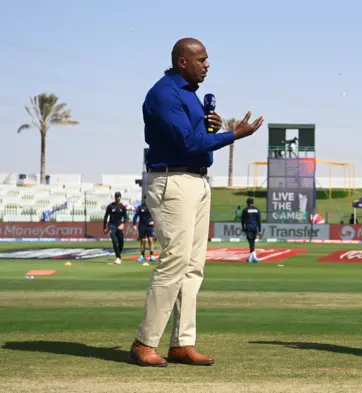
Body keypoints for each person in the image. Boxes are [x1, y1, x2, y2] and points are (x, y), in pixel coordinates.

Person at [128, 37, 264, 367]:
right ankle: (145, 342)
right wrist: (234, 134)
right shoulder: (163, 94)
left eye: (207, 59)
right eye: (201, 59)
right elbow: (188, 142)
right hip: (172, 180)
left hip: (196, 180)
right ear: (181, 62)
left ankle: (182, 343)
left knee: (193, 267)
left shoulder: (189, 96)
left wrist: (212, 127)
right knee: (174, 262)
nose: (207, 64)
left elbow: (196, 137)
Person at [103, 191, 129, 265]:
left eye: (119, 196)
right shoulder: (110, 206)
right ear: (114, 197)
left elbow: (126, 217)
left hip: (119, 226)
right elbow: (105, 217)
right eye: (116, 196)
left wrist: (123, 224)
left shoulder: (122, 207)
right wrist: (104, 228)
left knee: (121, 243)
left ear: (120, 197)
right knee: (115, 241)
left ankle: (118, 255)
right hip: (112, 226)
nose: (118, 198)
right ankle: (118, 257)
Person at [132, 195, 156, 262]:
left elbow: (157, 215)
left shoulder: (152, 207)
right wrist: (134, 224)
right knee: (142, 241)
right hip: (142, 226)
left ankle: (152, 256)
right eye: (145, 199)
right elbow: (135, 216)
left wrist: (154, 221)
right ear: (144, 199)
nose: (146, 200)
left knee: (150, 240)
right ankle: (142, 256)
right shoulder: (140, 207)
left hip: (149, 226)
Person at [241, 197, 262, 263]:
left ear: (247, 203)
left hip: (249, 227)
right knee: (252, 242)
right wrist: (260, 230)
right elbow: (259, 221)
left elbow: (242, 220)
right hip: (255, 228)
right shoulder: (257, 210)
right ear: (252, 202)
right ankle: (250, 257)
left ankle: (255, 257)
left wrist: (243, 228)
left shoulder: (245, 210)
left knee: (251, 242)